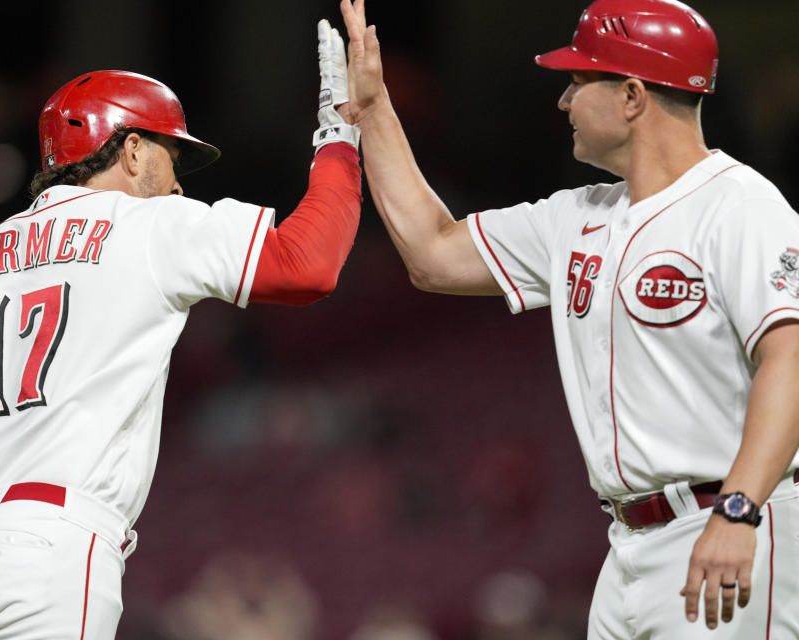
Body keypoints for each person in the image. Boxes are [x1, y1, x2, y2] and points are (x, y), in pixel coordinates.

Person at [0, 21, 360, 640]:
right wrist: (339, 136)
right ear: (132, 149)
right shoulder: (148, 226)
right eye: (171, 157)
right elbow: (309, 266)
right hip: (48, 548)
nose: (176, 183)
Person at [335, 0, 799, 637]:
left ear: (632, 96)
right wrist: (375, 110)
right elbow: (433, 253)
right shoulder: (576, 216)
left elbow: (792, 358)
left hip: (726, 522)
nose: (562, 102)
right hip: (628, 545)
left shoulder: (740, 207)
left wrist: (740, 512)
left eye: (579, 81)